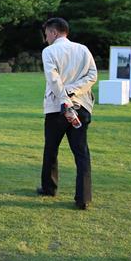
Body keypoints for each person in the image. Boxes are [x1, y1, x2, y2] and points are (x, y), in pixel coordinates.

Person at [37, 18, 98, 210]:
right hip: (82, 105)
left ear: (54, 33)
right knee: (81, 153)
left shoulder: (49, 51)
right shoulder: (83, 49)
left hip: (57, 108)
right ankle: (84, 198)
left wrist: (65, 97)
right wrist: (74, 91)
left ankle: (49, 188)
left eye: (46, 34)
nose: (45, 38)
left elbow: (53, 79)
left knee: (51, 149)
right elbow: (92, 76)